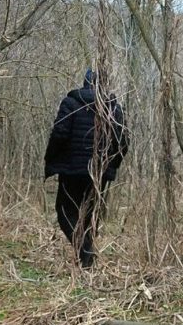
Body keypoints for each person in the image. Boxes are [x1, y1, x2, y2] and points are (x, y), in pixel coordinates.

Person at [44, 69, 129, 268]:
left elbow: (59, 134)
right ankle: (86, 257)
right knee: (90, 215)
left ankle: (85, 253)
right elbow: (123, 142)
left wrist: (53, 160)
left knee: (65, 212)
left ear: (85, 82)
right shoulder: (112, 108)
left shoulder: (71, 103)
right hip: (98, 173)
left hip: (72, 170)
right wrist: (110, 166)